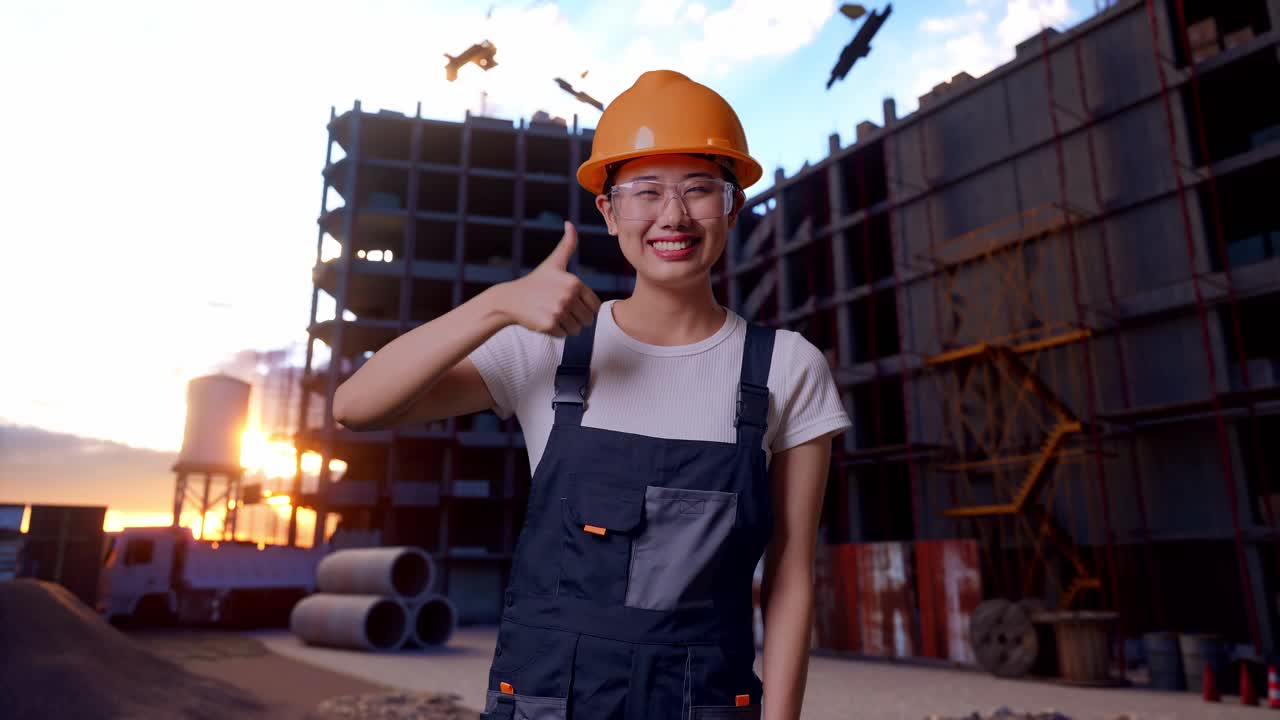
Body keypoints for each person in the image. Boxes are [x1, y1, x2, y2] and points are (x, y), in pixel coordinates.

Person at [334, 69, 851, 720]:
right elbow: (356, 405)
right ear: (608, 210)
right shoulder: (547, 351)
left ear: (732, 206)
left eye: (699, 190)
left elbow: (790, 577)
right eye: (646, 192)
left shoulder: (786, 368)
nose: (673, 215)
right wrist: (495, 306)